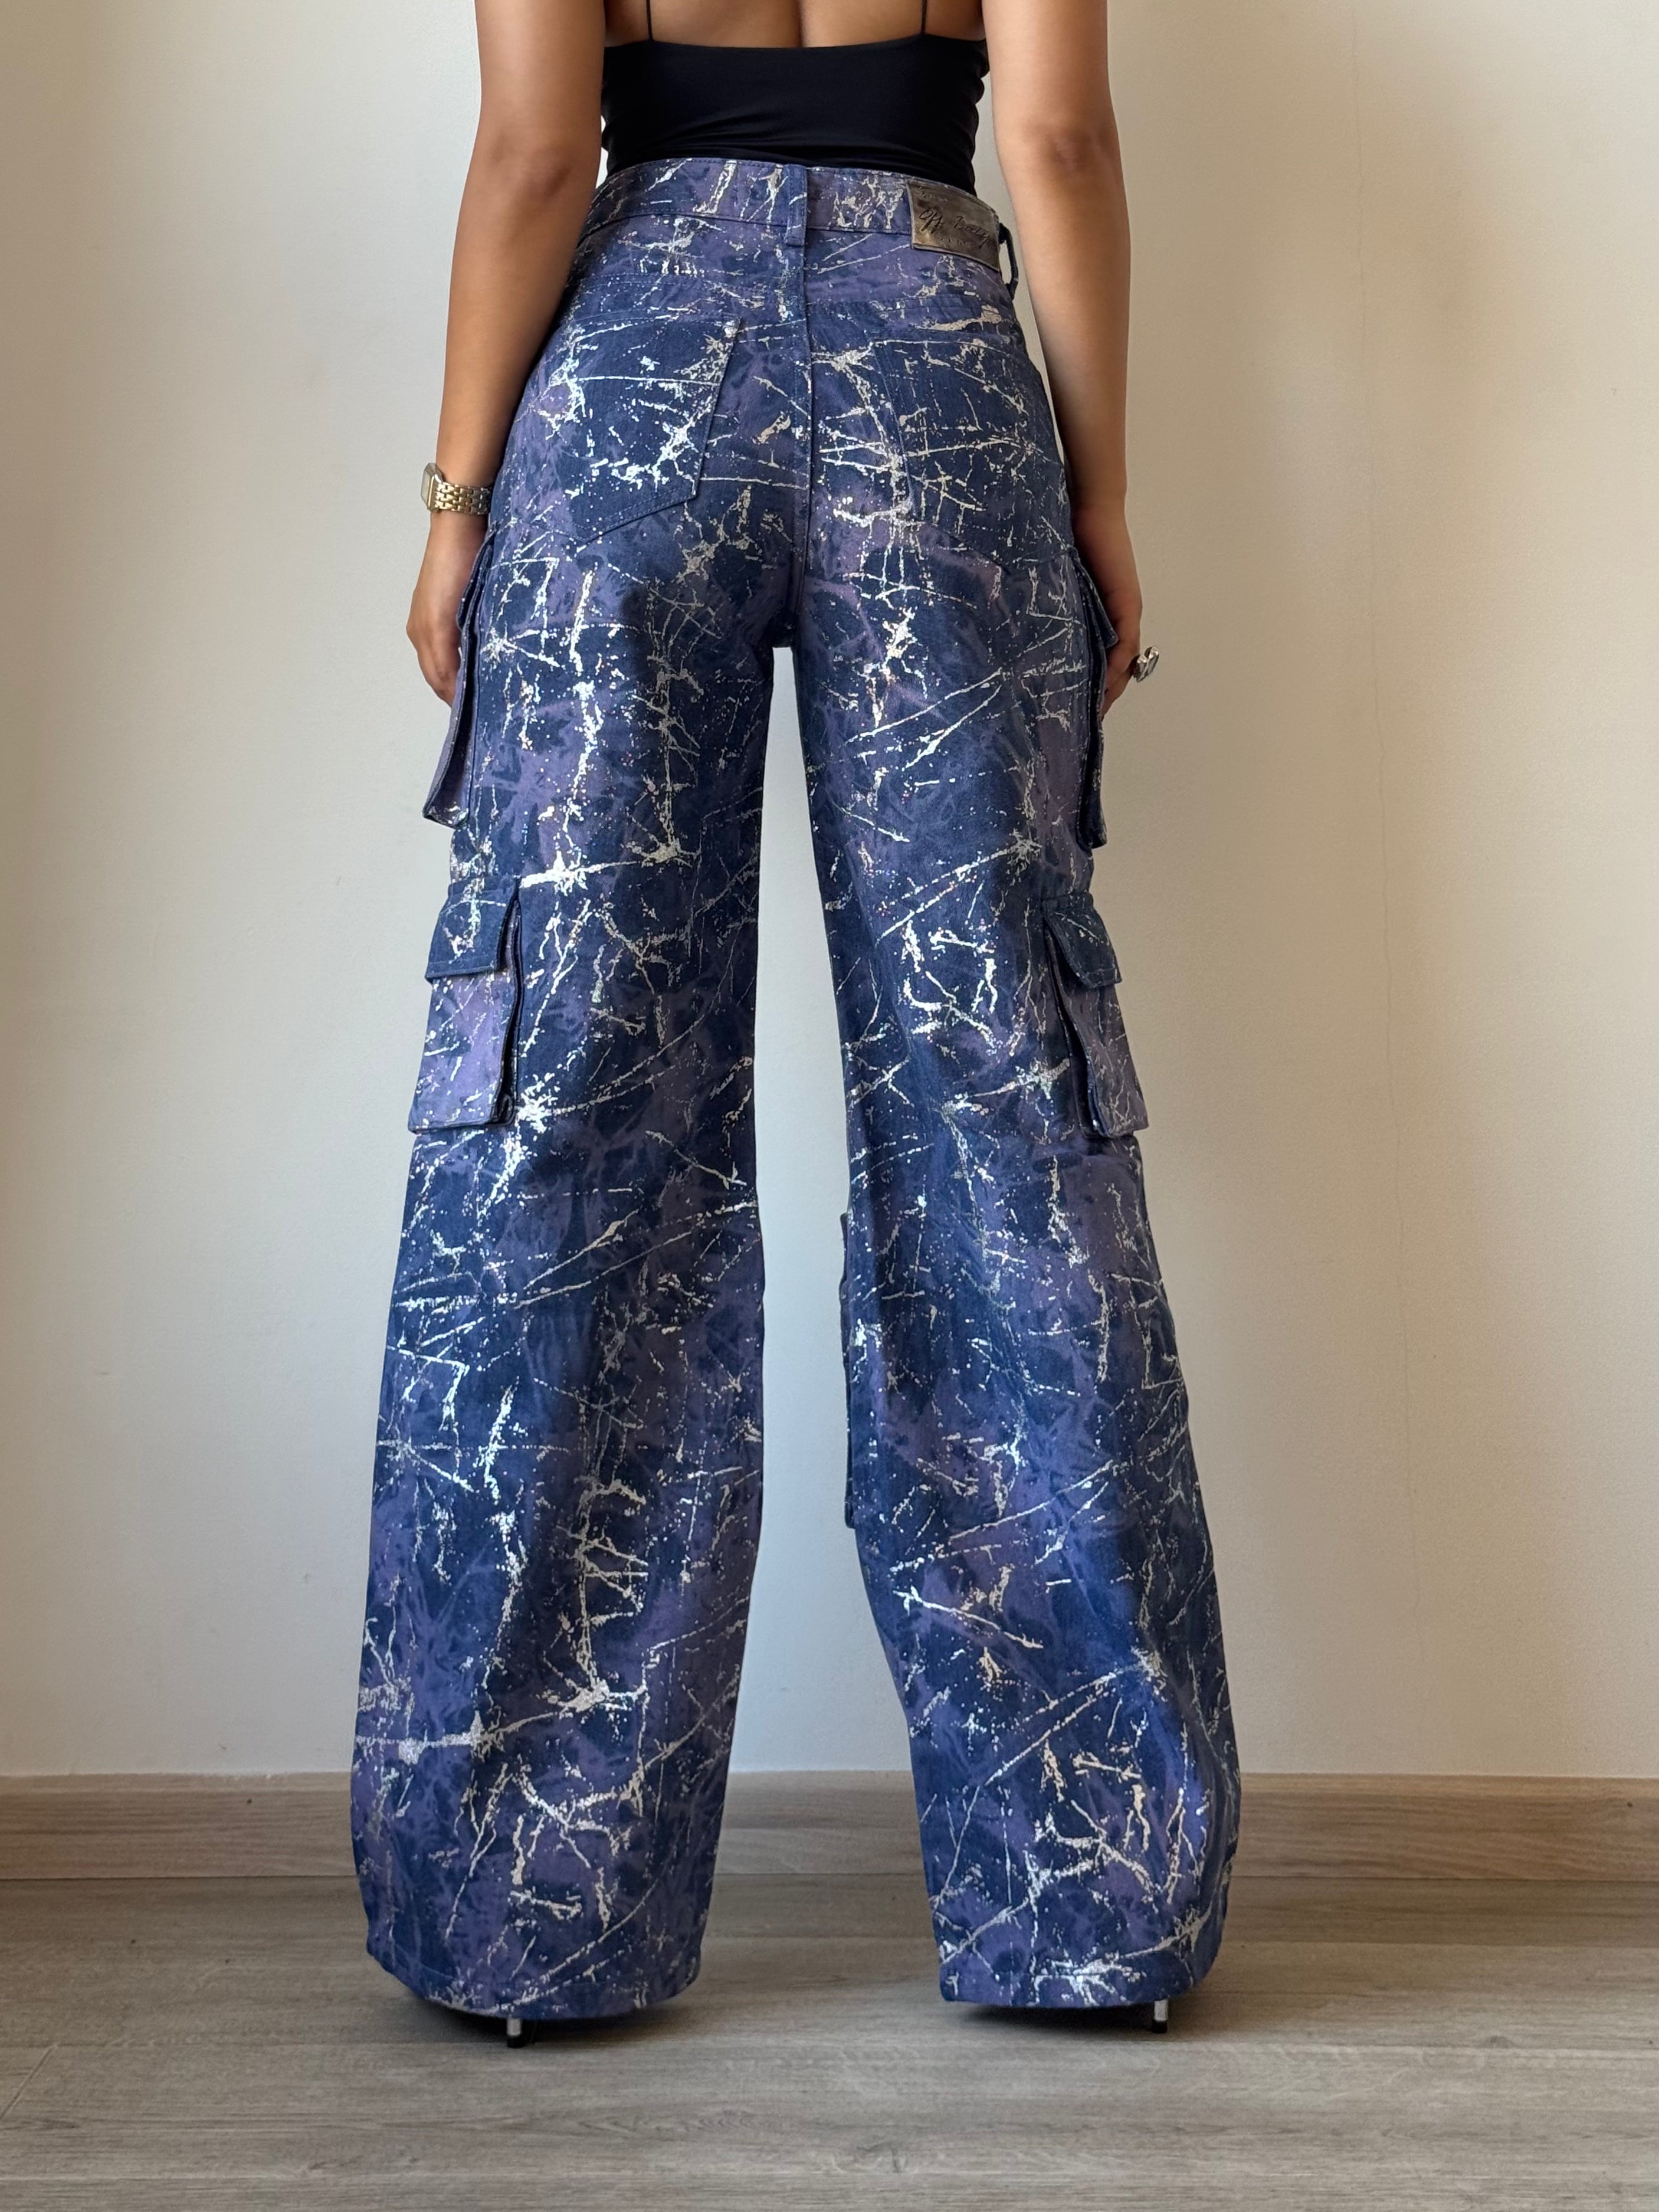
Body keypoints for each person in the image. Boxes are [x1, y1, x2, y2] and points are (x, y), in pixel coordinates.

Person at [351, 0, 1239, 2031]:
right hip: (937, 374)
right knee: (1004, 1103)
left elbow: (530, 160)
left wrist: (456, 499)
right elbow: (1063, 143)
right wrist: (1099, 492)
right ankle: (1093, 1906)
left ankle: (522, 1920)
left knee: (565, 1105)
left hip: (632, 383)